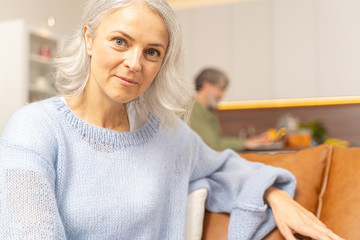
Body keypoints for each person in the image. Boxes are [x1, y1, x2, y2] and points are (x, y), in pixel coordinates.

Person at [0, 0, 343, 239]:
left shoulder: (169, 135)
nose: (135, 63)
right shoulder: (34, 128)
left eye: (152, 52)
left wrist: (276, 196)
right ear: (89, 38)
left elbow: (224, 167)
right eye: (120, 41)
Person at [190, 67, 270, 152]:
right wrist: (246, 143)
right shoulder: (193, 110)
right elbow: (214, 145)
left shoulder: (207, 110)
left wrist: (248, 142)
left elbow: (217, 140)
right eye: (221, 88)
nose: (222, 95)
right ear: (207, 85)